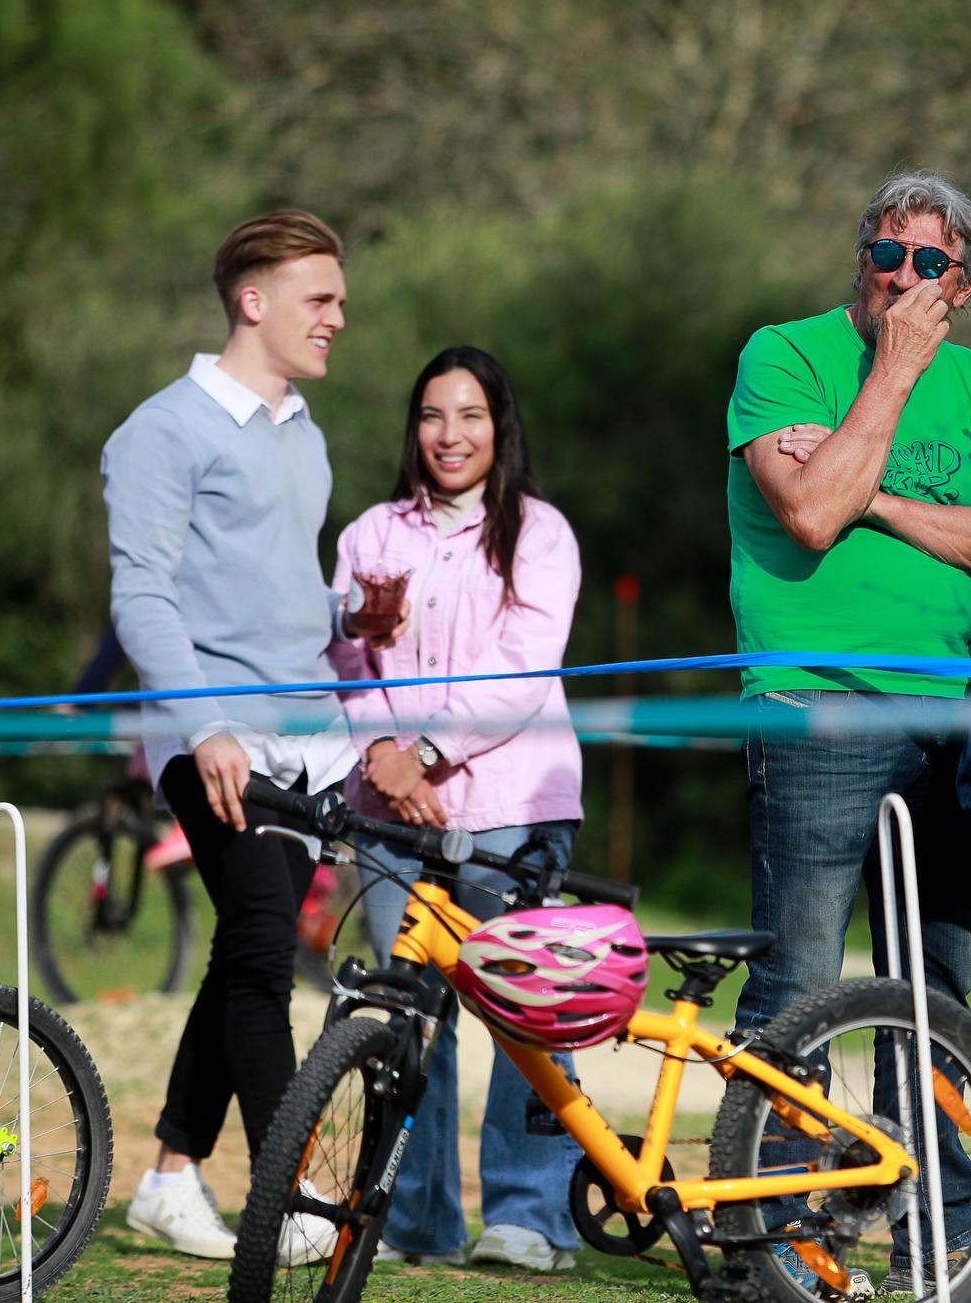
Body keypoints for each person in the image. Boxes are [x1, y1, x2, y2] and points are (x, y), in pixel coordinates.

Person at [725, 170, 971, 1296]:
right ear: (860, 259)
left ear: (961, 285)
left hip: (944, 718)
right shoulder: (783, 354)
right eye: (886, 254)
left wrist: (869, 490)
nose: (902, 278)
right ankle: (765, 1237)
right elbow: (807, 513)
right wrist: (891, 376)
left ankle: (942, 1232)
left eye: (928, 264)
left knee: (935, 991)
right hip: (815, 703)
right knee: (798, 985)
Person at [101, 209, 356, 1265]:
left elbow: (280, 591)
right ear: (253, 302)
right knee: (259, 953)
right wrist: (204, 723)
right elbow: (143, 592)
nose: (339, 319)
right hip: (211, 738)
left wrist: (353, 626)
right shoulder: (160, 431)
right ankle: (284, 1196)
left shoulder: (306, 435)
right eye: (321, 300)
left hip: (305, 744)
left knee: (243, 952)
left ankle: (168, 1176)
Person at [327, 345, 585, 1273]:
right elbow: (345, 658)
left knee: (524, 1009)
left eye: (470, 415)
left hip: (515, 804)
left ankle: (531, 1216)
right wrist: (383, 760)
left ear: (499, 425)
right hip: (390, 815)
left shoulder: (540, 534)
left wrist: (425, 752)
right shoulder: (370, 535)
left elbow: (524, 671)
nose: (450, 434)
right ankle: (411, 1221)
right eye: (434, 415)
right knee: (406, 1013)